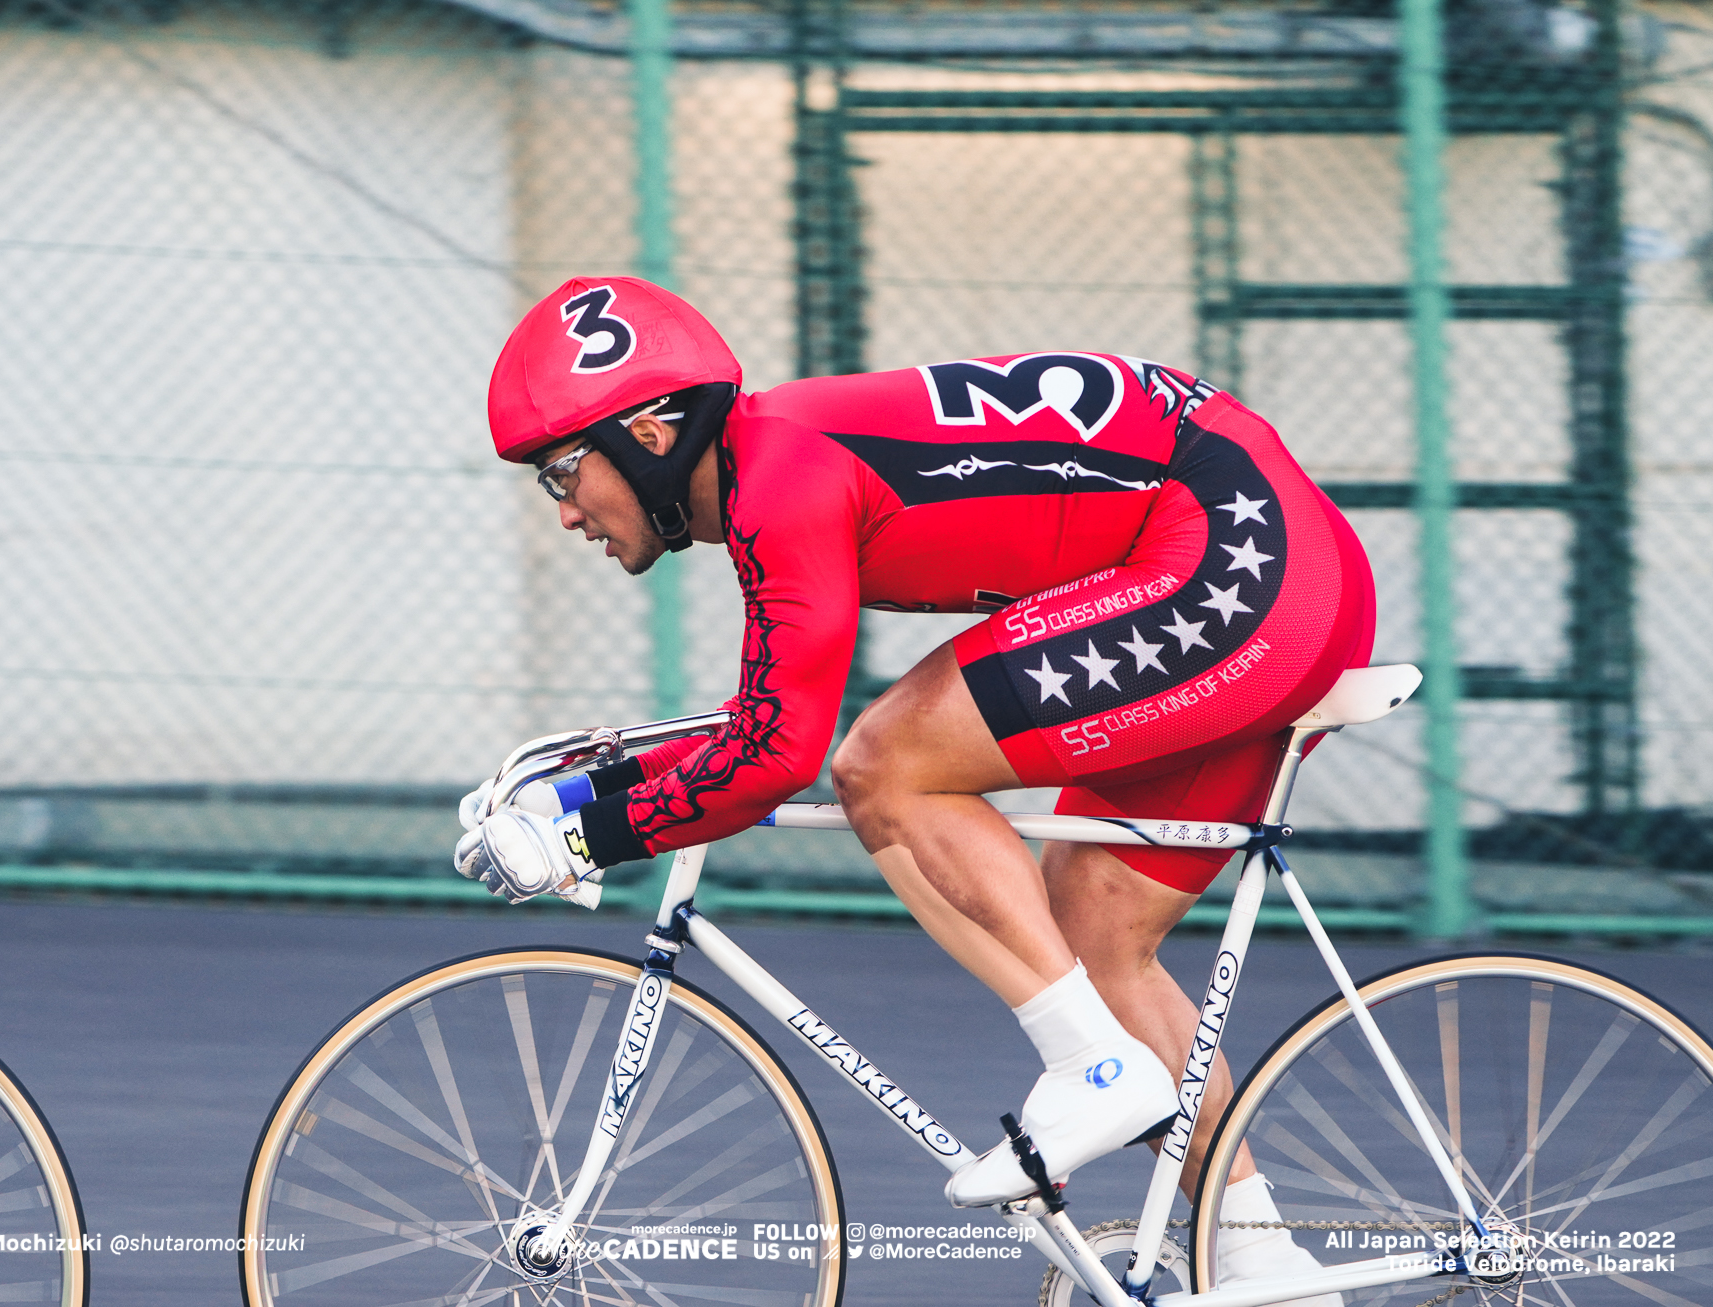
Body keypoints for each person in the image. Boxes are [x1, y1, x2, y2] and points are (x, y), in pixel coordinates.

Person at [460, 275, 1374, 1303]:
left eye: (563, 472)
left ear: (652, 431)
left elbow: (779, 754)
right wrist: (586, 794)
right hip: (1272, 556)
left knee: (885, 766)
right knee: (1088, 928)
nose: (567, 509)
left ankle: (1098, 1071)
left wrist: (584, 834)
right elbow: (764, 717)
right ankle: (1263, 1264)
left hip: (1236, 557)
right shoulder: (777, 461)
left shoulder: (780, 479)